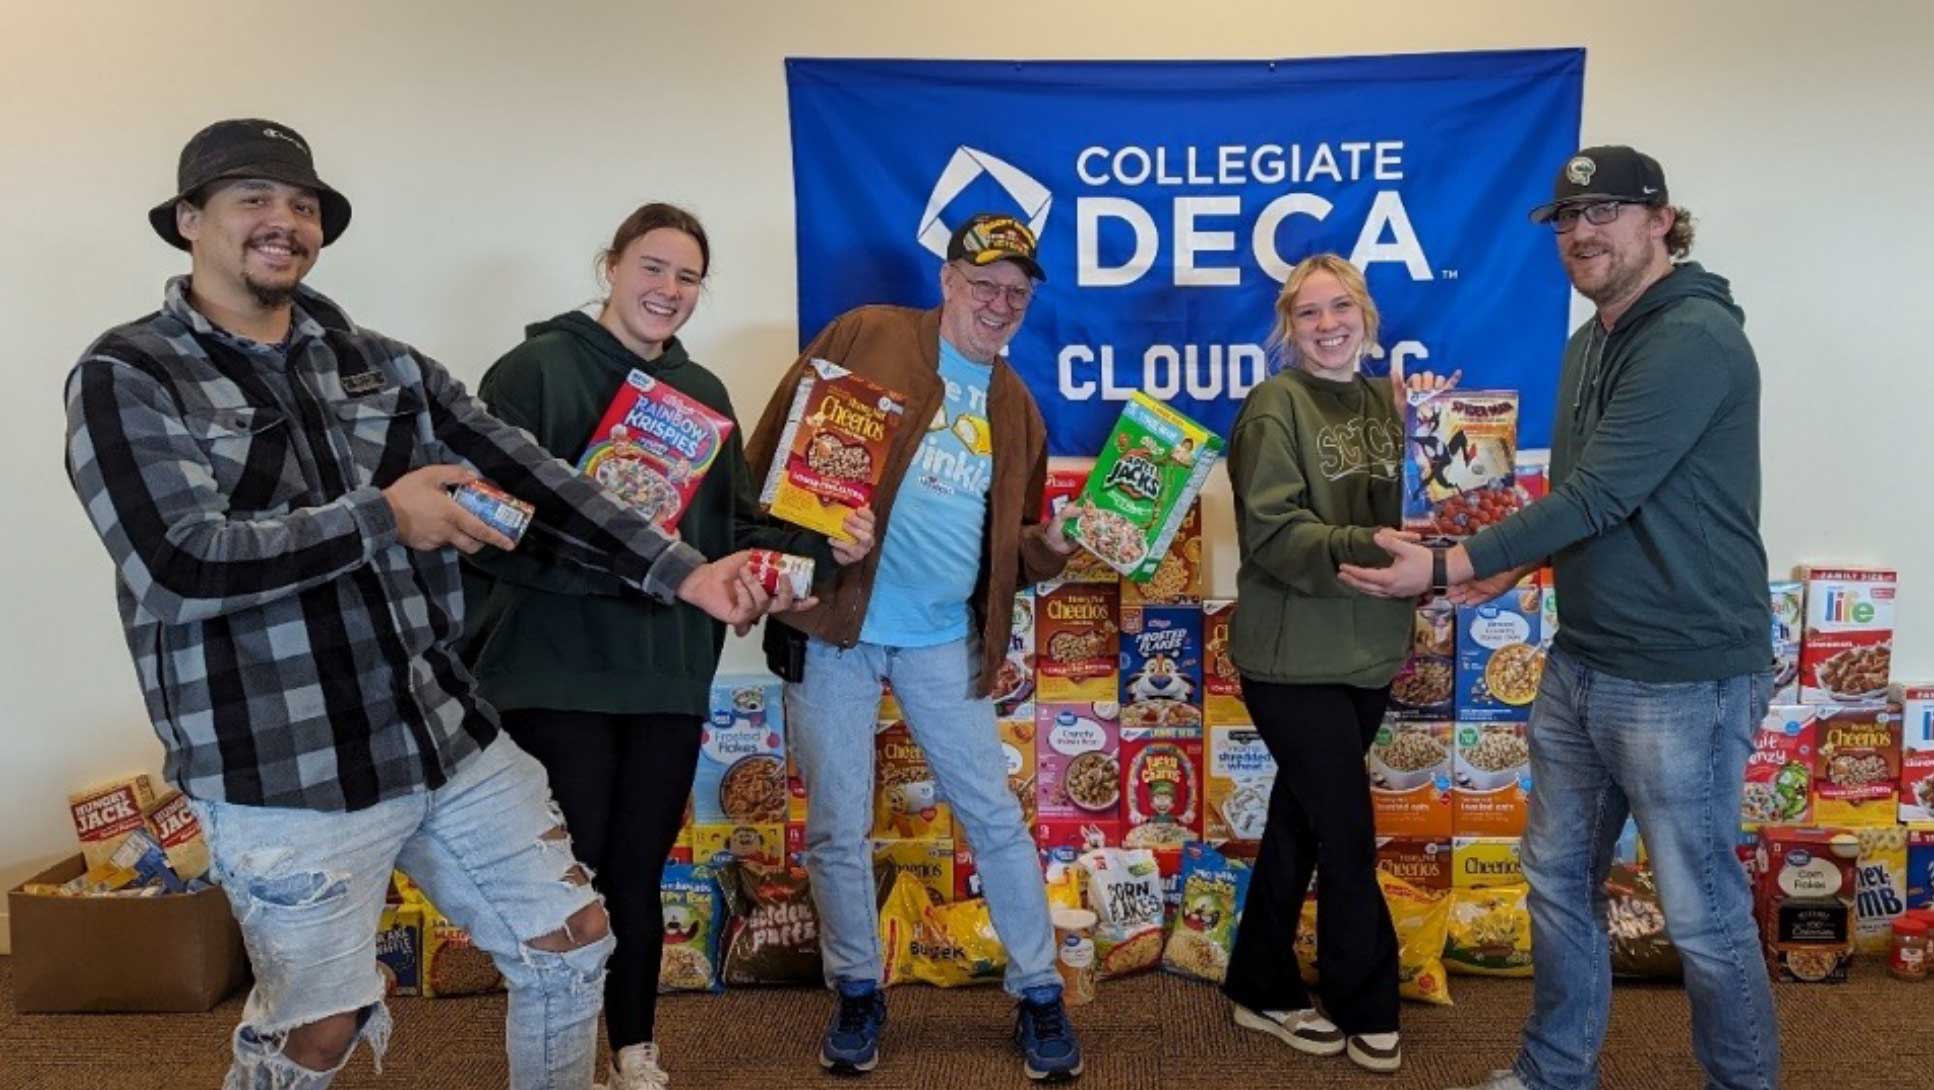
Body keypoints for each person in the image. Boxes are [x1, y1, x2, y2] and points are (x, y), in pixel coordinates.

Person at [62, 119, 798, 1090]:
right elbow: (178, 561)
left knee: (572, 941)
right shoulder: (128, 374)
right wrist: (384, 517)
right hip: (283, 764)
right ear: (190, 221)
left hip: (439, 730)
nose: (283, 221)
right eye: (253, 200)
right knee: (319, 1029)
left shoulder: (380, 364)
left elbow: (527, 477)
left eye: (302, 204)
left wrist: (681, 572)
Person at [1337, 146, 1778, 1090]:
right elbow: (1583, 496)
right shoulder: (1589, 341)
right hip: (1583, 660)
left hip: (1683, 675)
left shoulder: (1693, 337)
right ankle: (1553, 1072)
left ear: (1662, 221)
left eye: (1608, 211)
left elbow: (1604, 496)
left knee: (1700, 913)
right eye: (1569, 219)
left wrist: (1450, 564)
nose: (1583, 232)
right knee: (1556, 887)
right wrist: (1512, 570)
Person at [462, 201, 875, 1090]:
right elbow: (491, 517)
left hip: (664, 673)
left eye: (688, 277)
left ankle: (635, 1048)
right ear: (610, 266)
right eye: (653, 268)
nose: (670, 290)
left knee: (639, 866)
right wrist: (621, 560)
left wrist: (823, 546)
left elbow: (734, 529)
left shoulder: (704, 397)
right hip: (555, 666)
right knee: (568, 880)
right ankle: (562, 1058)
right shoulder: (534, 370)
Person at [743, 213, 1084, 1082]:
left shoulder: (1018, 408)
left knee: (995, 818)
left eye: (1016, 292)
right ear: (947, 278)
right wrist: (797, 549)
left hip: (943, 641)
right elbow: (775, 454)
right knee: (836, 826)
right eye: (984, 285)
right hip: (838, 631)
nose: (999, 304)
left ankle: (1039, 992)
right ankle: (859, 988)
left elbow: (1019, 550)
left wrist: (1064, 541)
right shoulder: (870, 335)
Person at [1220, 253, 1455, 1076]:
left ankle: (1257, 981)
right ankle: (1366, 999)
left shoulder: (1390, 404)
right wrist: (1374, 545)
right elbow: (1275, 534)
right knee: (1349, 831)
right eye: (1309, 313)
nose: (1327, 326)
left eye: (1340, 308)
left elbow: (1426, 508)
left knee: (1301, 824)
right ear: (1289, 328)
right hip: (1291, 657)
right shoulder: (1272, 406)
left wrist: (1449, 470)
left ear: (1367, 315)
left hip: (1368, 649)